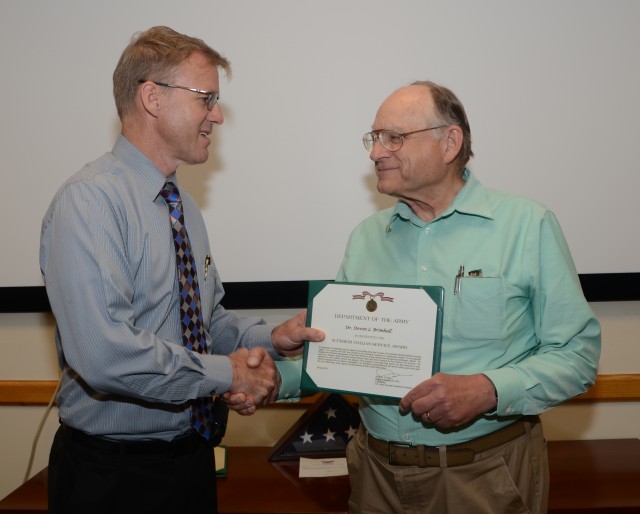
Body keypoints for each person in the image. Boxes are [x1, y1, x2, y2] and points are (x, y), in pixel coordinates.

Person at [39, 26, 323, 514]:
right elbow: (106, 354)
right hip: (113, 478)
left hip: (191, 463)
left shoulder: (182, 206)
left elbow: (204, 324)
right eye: (206, 98)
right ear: (151, 97)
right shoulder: (89, 202)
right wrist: (226, 375)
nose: (217, 114)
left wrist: (269, 338)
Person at [336, 81, 601, 513]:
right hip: (375, 477)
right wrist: (262, 376)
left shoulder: (527, 225)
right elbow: (345, 352)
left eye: (394, 138)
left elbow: (578, 355)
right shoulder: (365, 238)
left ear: (449, 143)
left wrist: (487, 390)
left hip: (487, 477)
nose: (375, 152)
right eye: (374, 138)